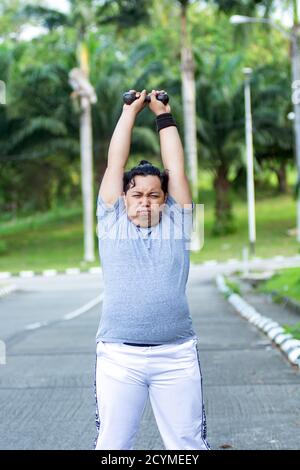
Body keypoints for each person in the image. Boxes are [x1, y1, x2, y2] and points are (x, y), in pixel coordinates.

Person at [94, 89, 210, 451]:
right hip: (118, 357)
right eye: (137, 195)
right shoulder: (111, 221)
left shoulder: (178, 223)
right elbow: (115, 164)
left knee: (188, 445)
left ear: (165, 199)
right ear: (123, 199)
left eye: (154, 195)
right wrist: (129, 111)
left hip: (175, 356)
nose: (145, 202)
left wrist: (163, 115)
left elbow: (174, 167)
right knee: (112, 446)